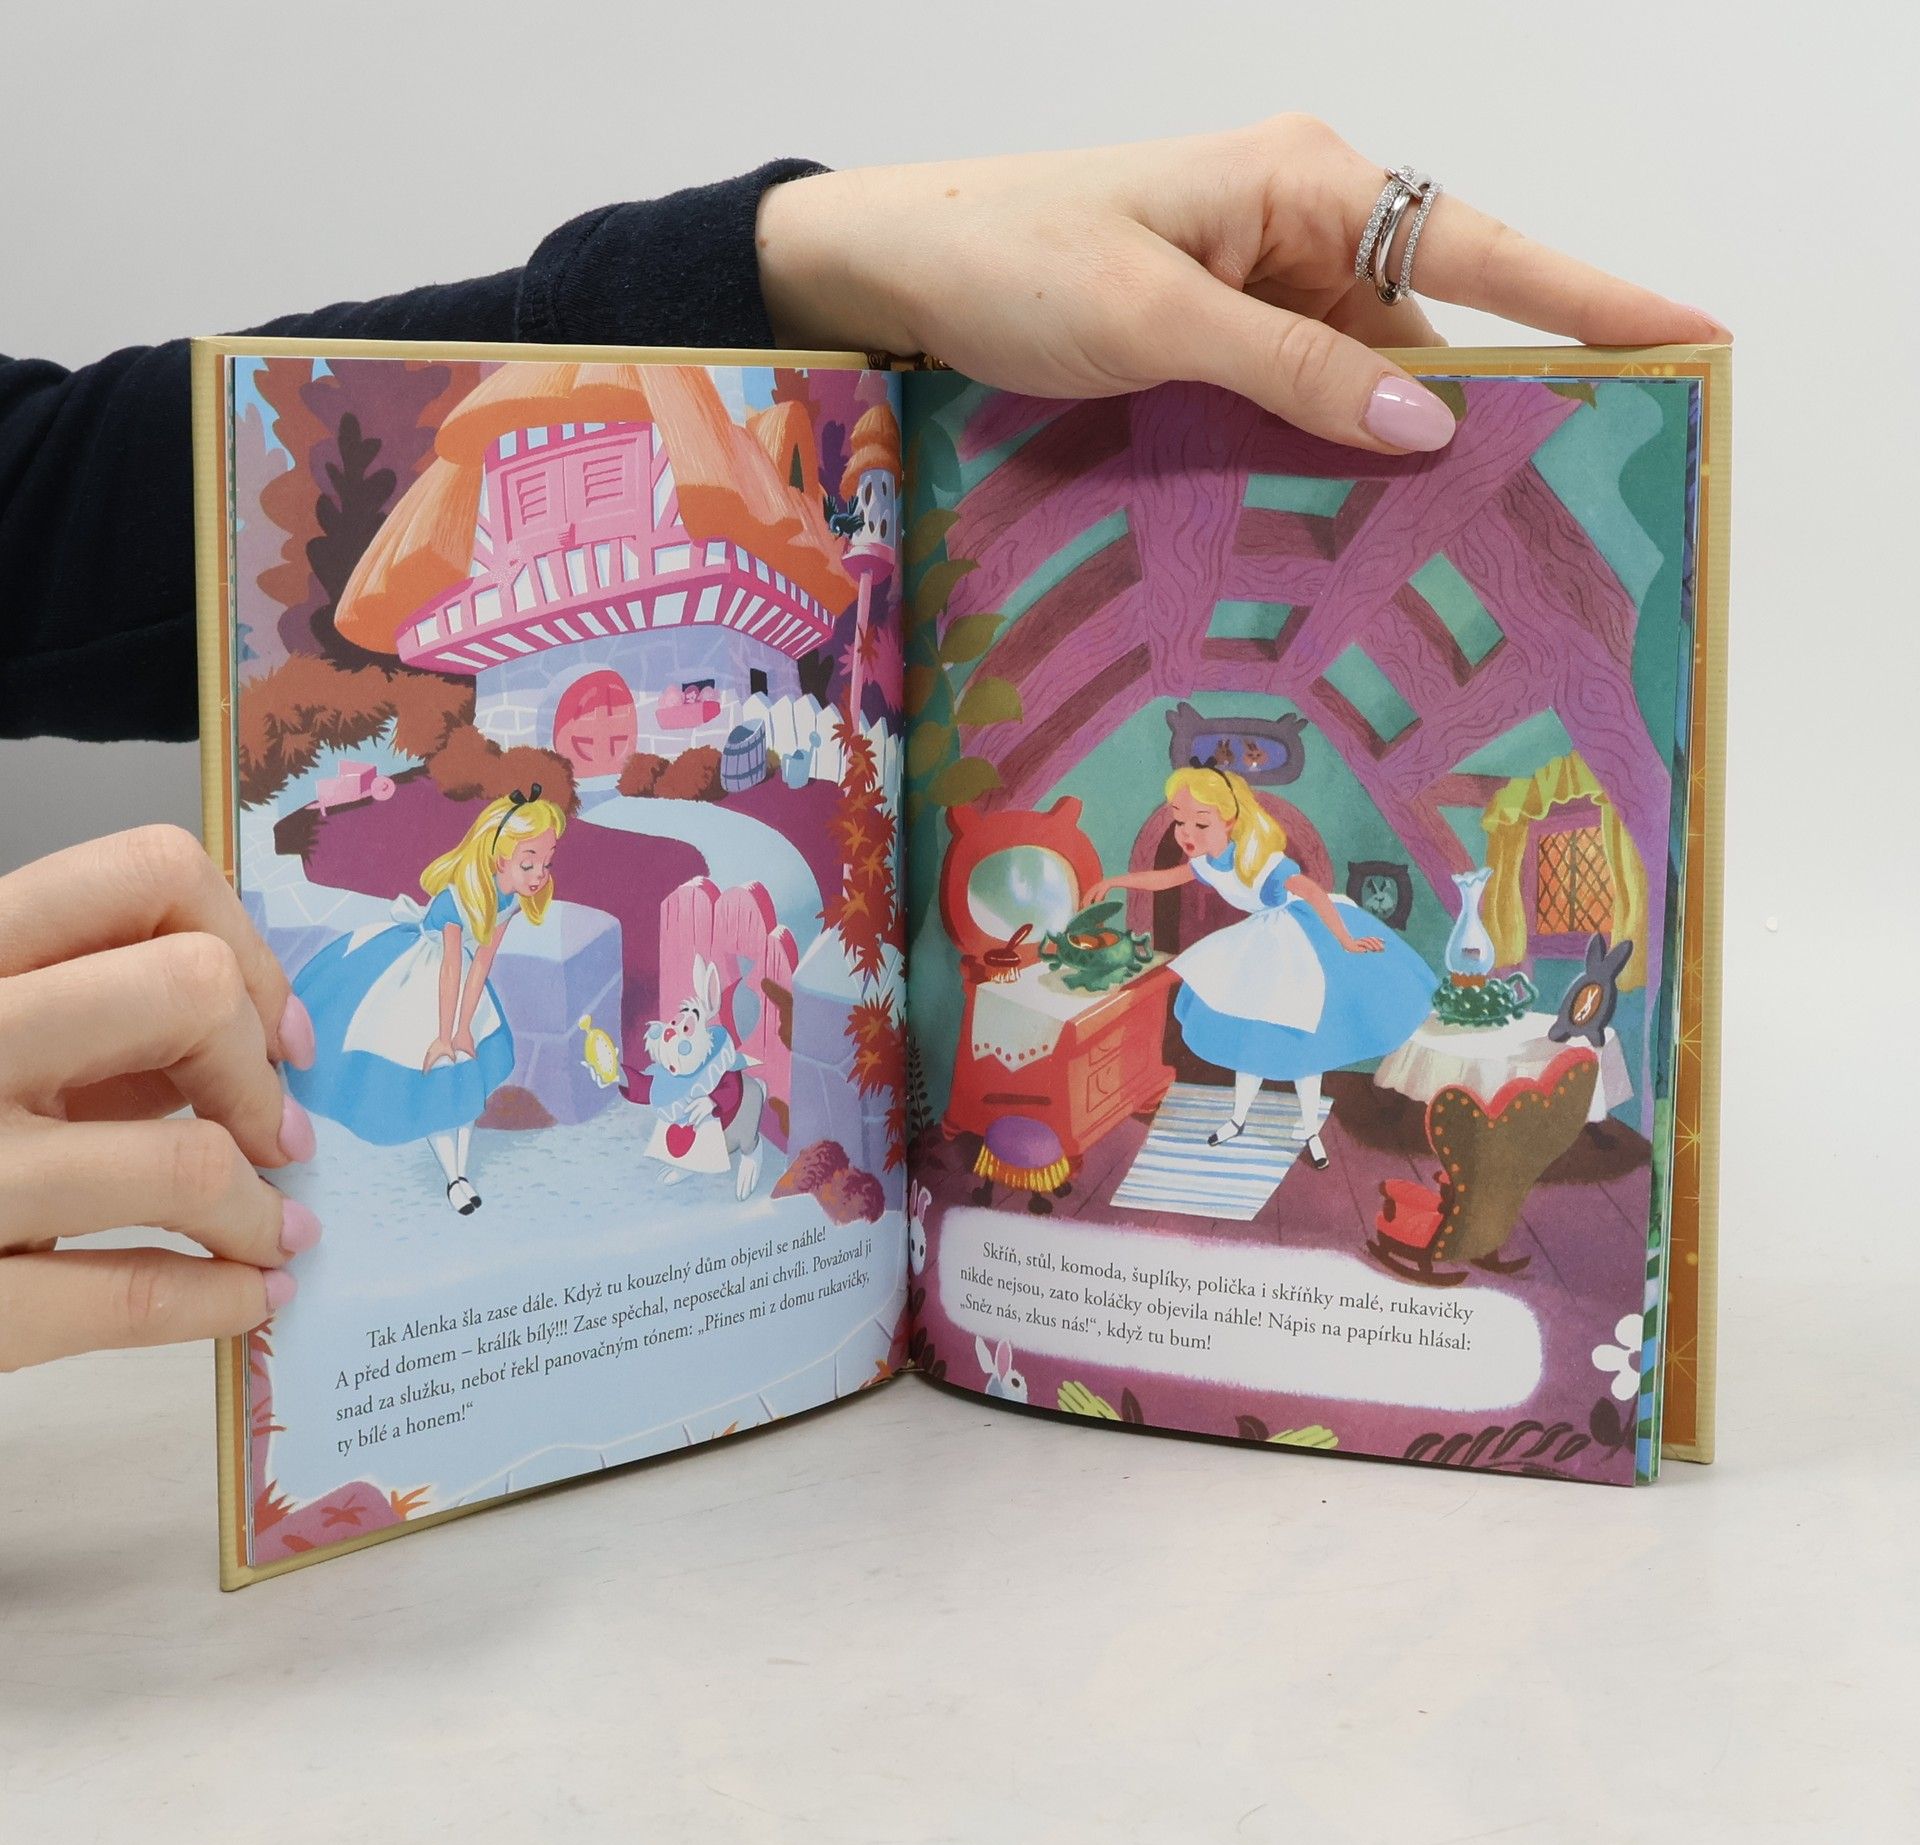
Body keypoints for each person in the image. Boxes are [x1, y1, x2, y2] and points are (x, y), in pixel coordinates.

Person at [0, 117, 1729, 1371]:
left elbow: (39, 494)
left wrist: (781, 258)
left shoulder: (1254, 862)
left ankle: (1263, 1122)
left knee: (1255, 1019)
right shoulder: (541, 807)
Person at [1088, 767, 1435, 1167]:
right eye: (1180, 821)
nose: (1186, 833)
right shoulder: (1207, 863)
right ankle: (1238, 1119)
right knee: (1250, 1034)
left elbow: (1313, 893)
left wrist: (1344, 939)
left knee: (1305, 1036)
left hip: (1303, 938)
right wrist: (1116, 882)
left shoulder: (1261, 861)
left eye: (1201, 822)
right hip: (1262, 941)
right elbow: (1165, 879)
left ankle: (1310, 1131)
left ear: (1229, 820)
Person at [285, 788, 565, 1215]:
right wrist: (443, 1035)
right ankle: (455, 1177)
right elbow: (449, 969)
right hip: (425, 976)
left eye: (546, 863)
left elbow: (481, 963)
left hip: (462, 982)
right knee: (439, 1073)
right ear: (499, 860)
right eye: (529, 863)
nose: (539, 875)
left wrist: (466, 1028)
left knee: (465, 1075)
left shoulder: (511, 901)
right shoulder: (459, 897)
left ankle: (458, 1174)